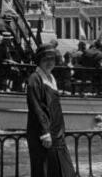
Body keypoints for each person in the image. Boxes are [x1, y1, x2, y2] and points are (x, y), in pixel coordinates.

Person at [26, 44, 75, 177]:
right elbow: (36, 107)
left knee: (64, 171)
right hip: (44, 136)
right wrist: (44, 133)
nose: (49, 63)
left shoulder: (51, 78)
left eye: (52, 60)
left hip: (57, 135)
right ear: (39, 61)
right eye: (45, 60)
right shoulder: (35, 79)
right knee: (45, 171)